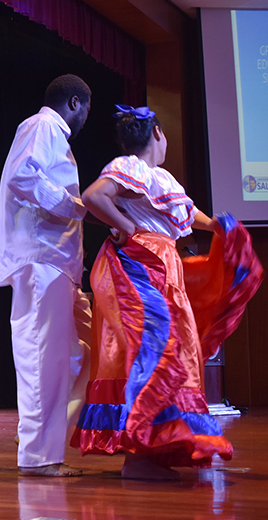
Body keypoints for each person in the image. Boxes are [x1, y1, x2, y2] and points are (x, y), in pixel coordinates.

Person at [72, 105, 263, 479]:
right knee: (157, 350)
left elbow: (189, 217)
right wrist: (128, 228)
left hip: (162, 266)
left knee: (172, 350)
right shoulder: (129, 167)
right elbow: (94, 196)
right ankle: (139, 457)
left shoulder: (161, 178)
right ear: (157, 133)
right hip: (141, 265)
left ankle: (155, 451)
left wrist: (221, 226)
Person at [0, 74, 92, 477]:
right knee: (41, 358)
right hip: (41, 260)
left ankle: (38, 439)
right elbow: (22, 176)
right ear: (74, 104)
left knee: (77, 355)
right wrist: (73, 206)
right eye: (87, 108)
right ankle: (37, 454)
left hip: (56, 264)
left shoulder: (54, 134)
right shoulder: (44, 125)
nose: (86, 117)